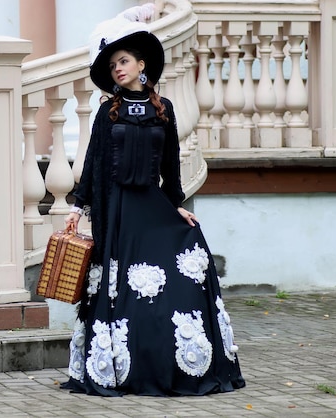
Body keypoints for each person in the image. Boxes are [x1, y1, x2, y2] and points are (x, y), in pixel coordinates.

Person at [60, 9, 246, 397]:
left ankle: (171, 362)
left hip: (152, 205)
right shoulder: (107, 112)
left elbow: (169, 164)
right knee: (122, 291)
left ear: (142, 65)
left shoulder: (166, 110)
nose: (118, 70)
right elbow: (93, 163)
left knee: (188, 263)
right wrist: (79, 209)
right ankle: (123, 368)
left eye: (124, 61)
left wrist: (178, 203)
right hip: (117, 213)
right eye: (112, 65)